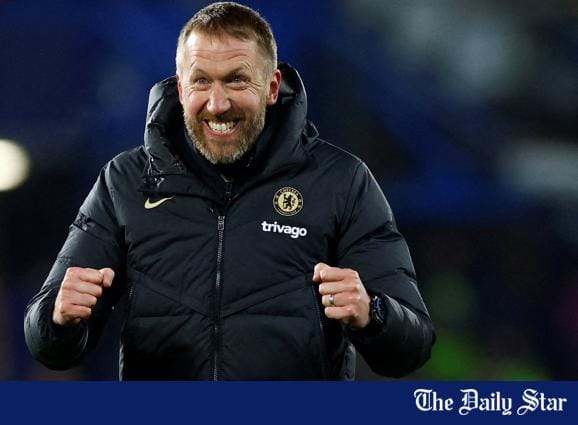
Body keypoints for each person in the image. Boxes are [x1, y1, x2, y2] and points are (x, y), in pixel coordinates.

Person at [24, 1, 435, 380]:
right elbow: (46, 341)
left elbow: (412, 347)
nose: (217, 104)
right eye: (201, 81)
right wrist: (59, 319)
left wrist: (372, 313)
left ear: (272, 87)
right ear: (181, 88)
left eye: (237, 80)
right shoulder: (126, 182)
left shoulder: (341, 181)